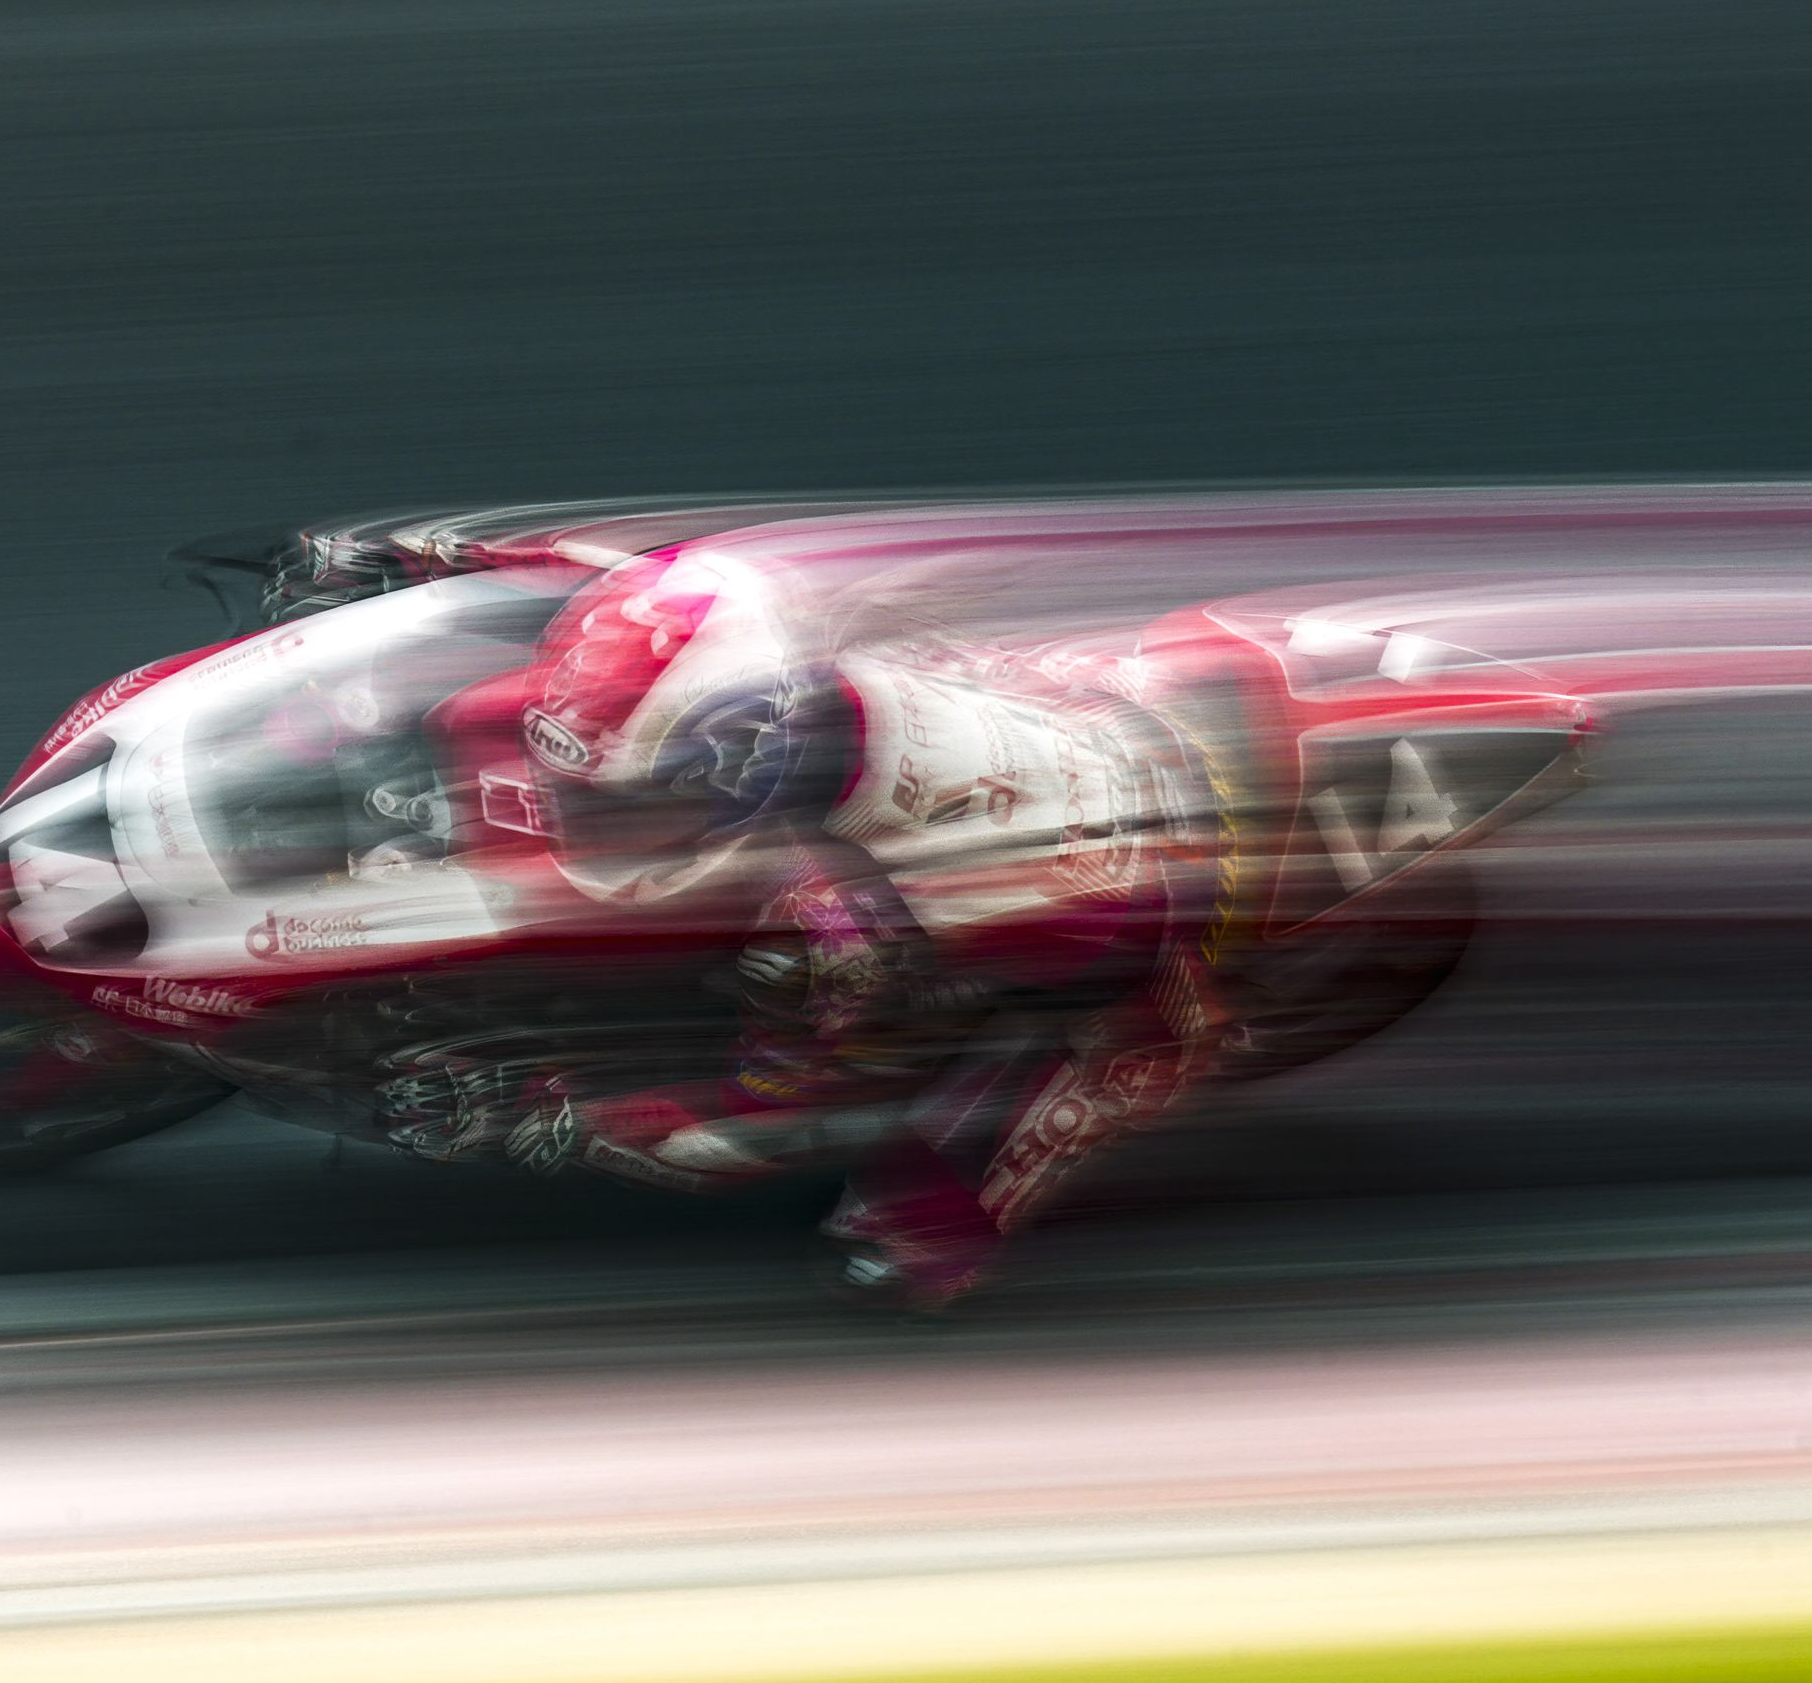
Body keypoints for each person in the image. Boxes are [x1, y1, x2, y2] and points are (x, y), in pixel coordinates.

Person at [391, 546, 1245, 1307]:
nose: (586, 817)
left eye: (635, 802)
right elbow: (641, 599)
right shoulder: (781, 627)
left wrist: (556, 1119)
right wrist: (436, 562)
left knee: (911, 1220)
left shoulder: (832, 929)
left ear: (740, 767)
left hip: (1141, 932)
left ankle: (944, 1235)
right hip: (1099, 707)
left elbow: (754, 1127)